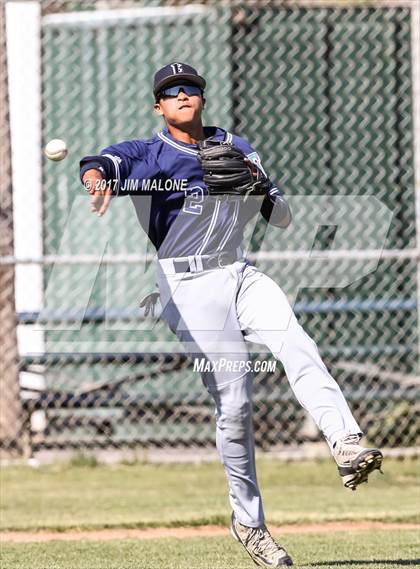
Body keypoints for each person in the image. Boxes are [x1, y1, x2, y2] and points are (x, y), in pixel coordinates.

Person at [80, 62, 383, 568]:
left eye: (190, 88)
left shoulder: (236, 147)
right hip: (186, 283)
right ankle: (249, 522)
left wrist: (261, 184)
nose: (182, 95)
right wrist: (94, 177)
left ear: (202, 97)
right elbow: (103, 161)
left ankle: (346, 442)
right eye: (171, 91)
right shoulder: (149, 153)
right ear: (159, 105)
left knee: (298, 344)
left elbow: (283, 218)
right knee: (236, 401)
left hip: (240, 272)